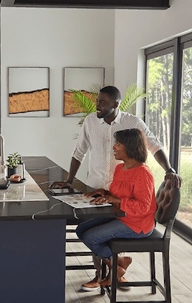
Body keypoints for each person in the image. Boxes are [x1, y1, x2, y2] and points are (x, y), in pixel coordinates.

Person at [51, 85, 181, 291]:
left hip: (125, 198)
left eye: (102, 102)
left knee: (96, 235)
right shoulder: (91, 122)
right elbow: (79, 152)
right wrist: (69, 180)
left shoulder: (133, 124)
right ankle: (108, 271)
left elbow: (154, 145)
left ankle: (111, 274)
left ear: (116, 104)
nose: (97, 105)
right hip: (103, 188)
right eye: (97, 101)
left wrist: (169, 169)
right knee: (88, 229)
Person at [76, 128, 156, 289]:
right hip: (120, 216)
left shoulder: (142, 174)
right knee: (80, 230)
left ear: (131, 147)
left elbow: (143, 206)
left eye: (118, 144)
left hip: (137, 224)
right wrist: (104, 193)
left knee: (91, 237)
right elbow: (118, 194)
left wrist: (115, 199)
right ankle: (119, 263)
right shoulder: (120, 168)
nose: (114, 147)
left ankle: (116, 268)